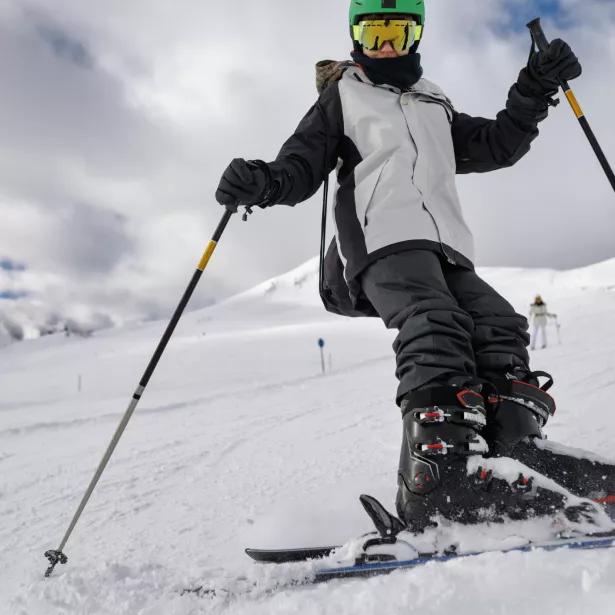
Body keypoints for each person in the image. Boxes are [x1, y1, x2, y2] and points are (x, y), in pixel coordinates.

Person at [216, 1, 614, 531]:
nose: (385, 44)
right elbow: (301, 166)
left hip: (445, 247)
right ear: (356, 33)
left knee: (498, 325)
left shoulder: (433, 100)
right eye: (373, 31)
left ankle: (516, 456)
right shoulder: (343, 96)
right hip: (381, 240)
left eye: (396, 31)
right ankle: (438, 483)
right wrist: (262, 182)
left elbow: (497, 143)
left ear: (415, 33)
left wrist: (535, 86)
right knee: (434, 323)